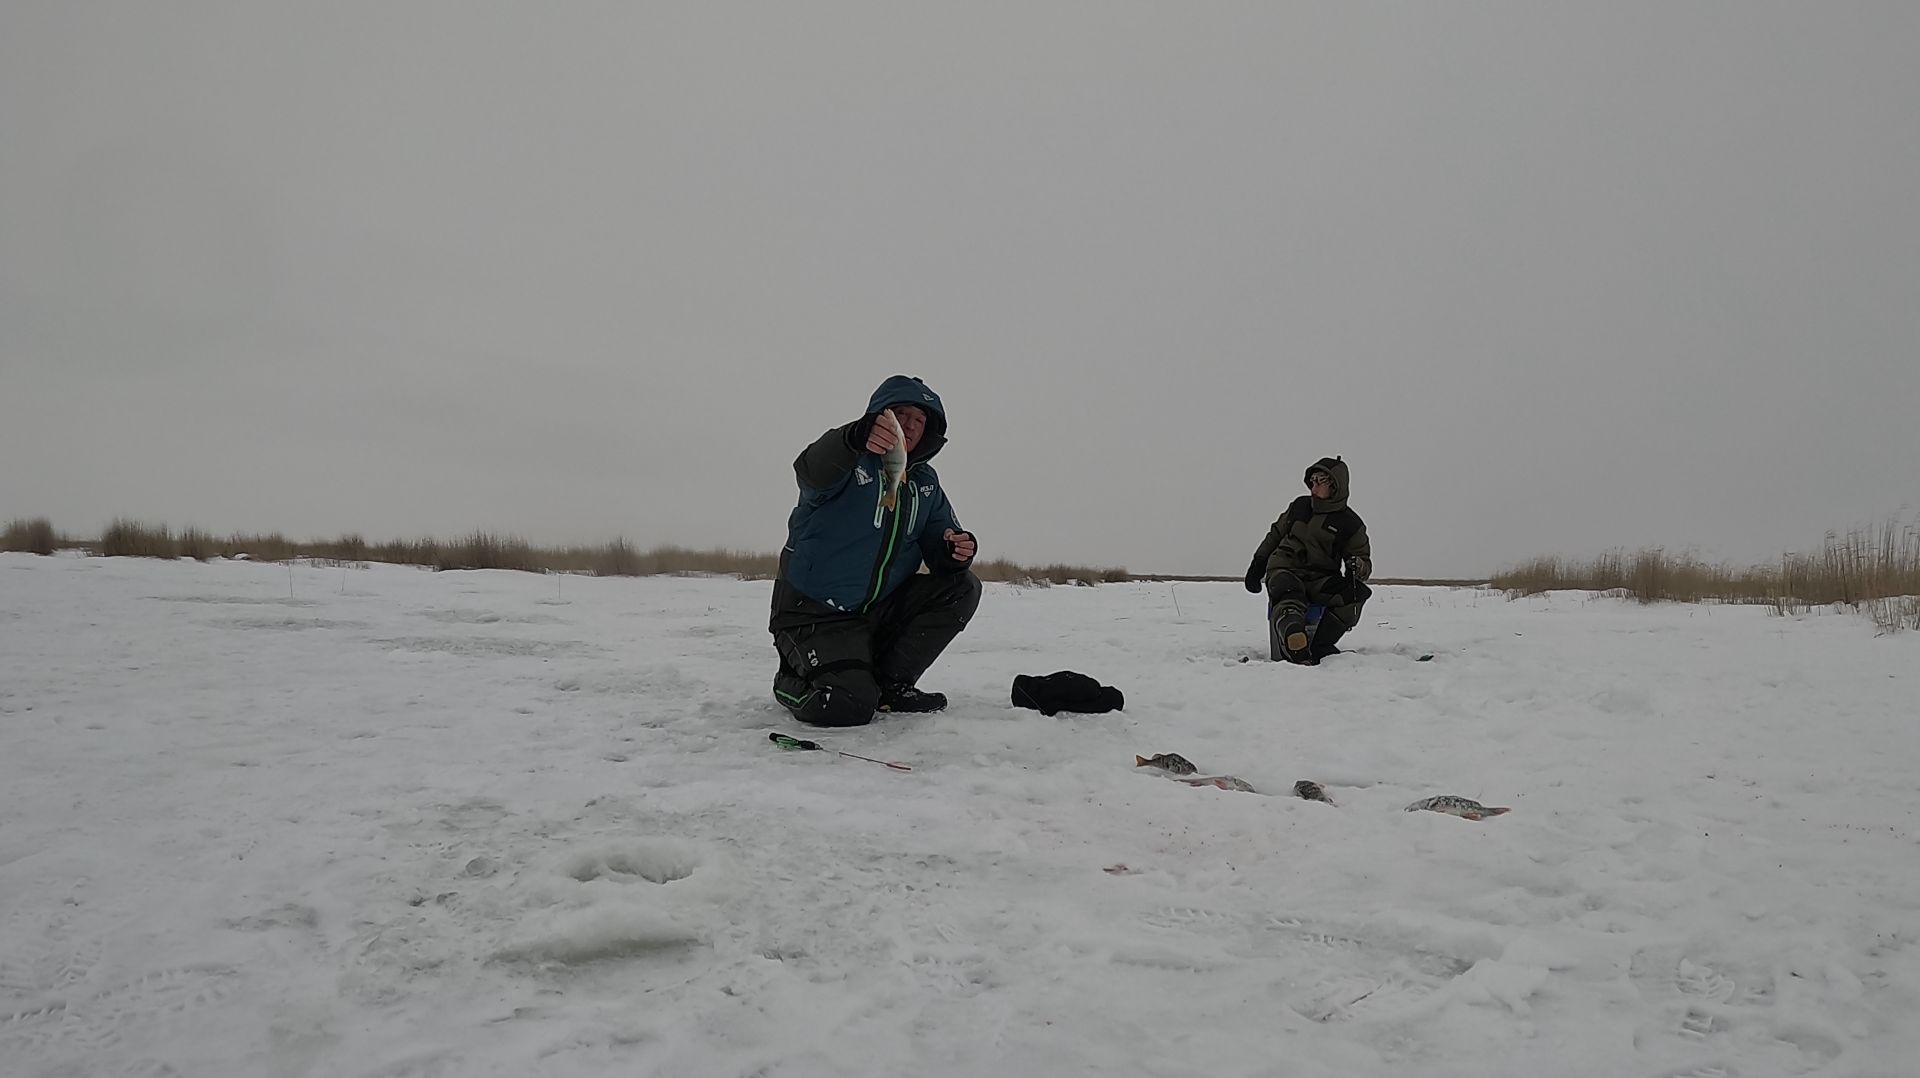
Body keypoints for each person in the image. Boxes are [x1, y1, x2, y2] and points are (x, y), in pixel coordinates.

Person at [769, 375, 981, 726]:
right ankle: (788, 680)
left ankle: (891, 684)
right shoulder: (846, 458)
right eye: (901, 414)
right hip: (814, 614)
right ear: (881, 415)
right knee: (848, 704)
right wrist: (852, 437)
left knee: (962, 586)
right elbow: (810, 470)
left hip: (874, 613)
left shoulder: (925, 482)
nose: (909, 425)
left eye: (920, 420)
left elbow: (939, 539)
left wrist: (954, 550)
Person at [1243, 456, 1372, 665]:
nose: (1314, 486)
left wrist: (1357, 567)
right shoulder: (1299, 506)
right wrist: (1257, 565)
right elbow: (1275, 535)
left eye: (1320, 481)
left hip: (1320, 579)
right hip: (1285, 569)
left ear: (1335, 485)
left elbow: (1364, 562)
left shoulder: (1351, 524)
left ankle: (1319, 646)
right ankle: (1294, 639)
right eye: (1312, 481)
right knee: (1288, 593)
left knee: (1356, 595)